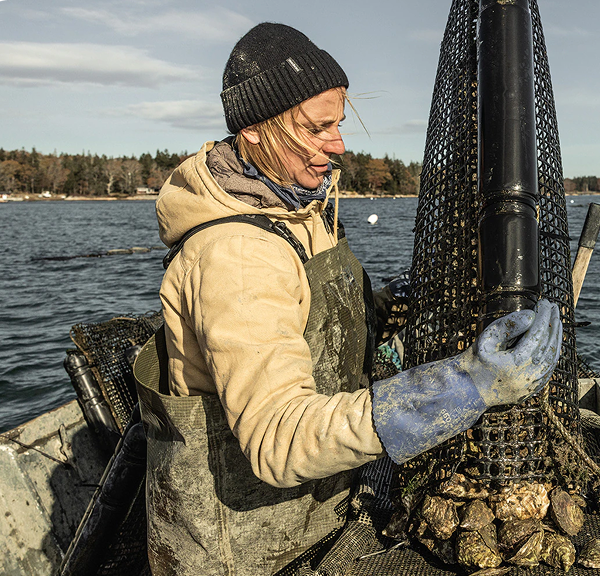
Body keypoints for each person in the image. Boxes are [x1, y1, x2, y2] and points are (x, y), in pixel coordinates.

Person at [134, 22, 563, 576]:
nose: (337, 145)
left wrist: (389, 304)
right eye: (317, 129)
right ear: (257, 131)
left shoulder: (295, 207)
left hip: (319, 510)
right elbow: (278, 439)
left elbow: (309, 323)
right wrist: (464, 384)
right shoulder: (236, 255)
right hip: (244, 551)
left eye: (338, 123)